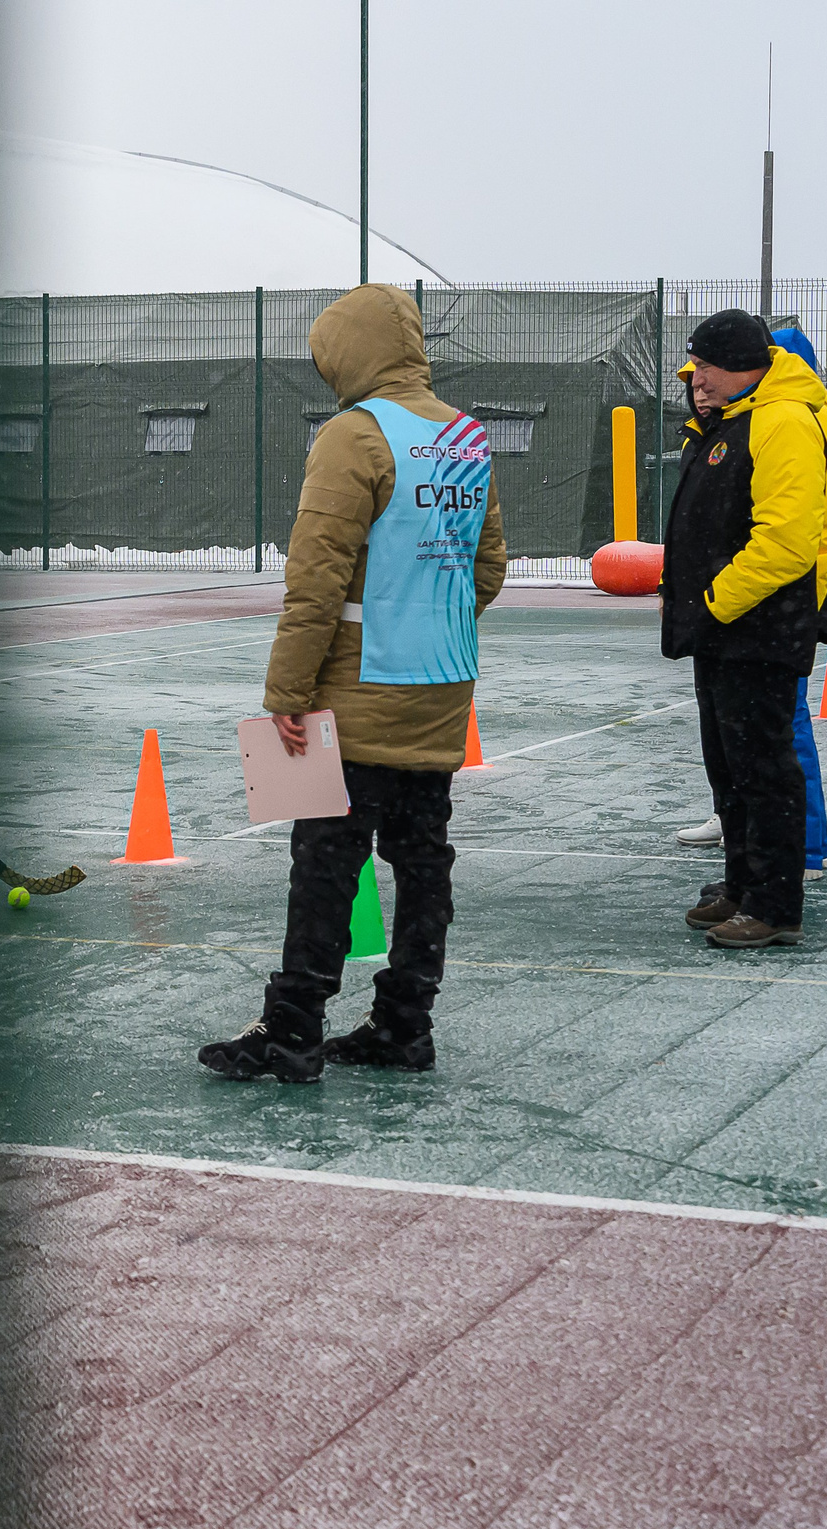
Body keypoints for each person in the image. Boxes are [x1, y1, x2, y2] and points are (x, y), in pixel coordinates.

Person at [198, 284, 508, 1083]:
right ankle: (405, 1023)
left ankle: (293, 1026)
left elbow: (316, 581)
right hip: (441, 684)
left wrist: (287, 693)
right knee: (423, 857)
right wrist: (423, 624)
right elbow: (487, 569)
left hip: (352, 687)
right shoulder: (465, 436)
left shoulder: (353, 436)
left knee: (327, 861)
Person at [662, 309, 827, 950]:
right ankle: (743, 884)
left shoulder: (784, 421)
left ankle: (774, 905)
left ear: (744, 365)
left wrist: (714, 602)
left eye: (705, 366)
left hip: (759, 624)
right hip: (725, 626)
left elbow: (787, 543)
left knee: (764, 767)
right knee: (730, 765)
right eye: (694, 367)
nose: (696, 378)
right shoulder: (732, 420)